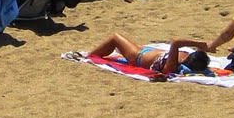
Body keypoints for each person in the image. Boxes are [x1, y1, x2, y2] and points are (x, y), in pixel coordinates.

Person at [68, 33, 213, 76]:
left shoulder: (172, 65)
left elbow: (176, 42)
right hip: (144, 50)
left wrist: (201, 44)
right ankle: (91, 55)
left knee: (115, 38)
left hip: (137, 56)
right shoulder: (182, 58)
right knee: (120, 41)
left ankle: (89, 56)